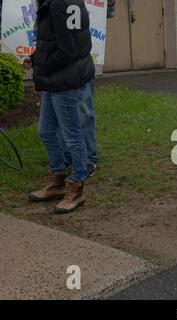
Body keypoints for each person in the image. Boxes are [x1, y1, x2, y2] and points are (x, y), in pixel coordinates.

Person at [24, 0, 95, 213]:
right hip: (59, 78)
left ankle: (76, 188)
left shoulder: (56, 4)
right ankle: (57, 180)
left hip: (64, 80)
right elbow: (54, 42)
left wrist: (41, 68)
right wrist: (34, 57)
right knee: (46, 131)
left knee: (73, 136)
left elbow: (67, 50)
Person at [61, 0, 117, 177]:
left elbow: (106, 13)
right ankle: (68, 155)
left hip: (81, 58)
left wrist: (111, 3)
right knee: (60, 109)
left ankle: (88, 159)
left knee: (83, 108)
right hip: (56, 56)